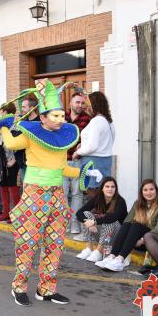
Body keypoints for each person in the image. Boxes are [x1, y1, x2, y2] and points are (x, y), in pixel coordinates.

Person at [0, 79, 102, 306]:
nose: (61, 120)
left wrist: (83, 173)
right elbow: (10, 143)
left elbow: (61, 168)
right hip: (34, 195)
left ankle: (46, 289)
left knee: (55, 243)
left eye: (62, 115)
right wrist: (1, 124)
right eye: (56, 116)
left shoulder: (60, 140)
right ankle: (19, 286)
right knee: (28, 243)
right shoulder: (31, 136)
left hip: (57, 196)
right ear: (42, 118)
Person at [97, 179, 158, 272]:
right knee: (127, 224)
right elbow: (127, 221)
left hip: (151, 242)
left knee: (136, 226)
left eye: (151, 189)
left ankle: (120, 260)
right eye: (145, 190)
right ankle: (112, 256)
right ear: (141, 192)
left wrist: (142, 240)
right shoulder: (137, 203)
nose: (148, 192)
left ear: (156, 190)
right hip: (134, 240)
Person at [75, 177, 128, 263]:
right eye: (107, 186)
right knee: (86, 215)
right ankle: (88, 248)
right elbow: (79, 213)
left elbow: (113, 217)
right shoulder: (98, 198)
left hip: (117, 235)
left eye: (112, 187)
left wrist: (94, 222)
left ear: (116, 189)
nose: (110, 189)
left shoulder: (120, 201)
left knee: (109, 221)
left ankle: (99, 252)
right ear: (102, 189)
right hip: (103, 234)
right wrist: (89, 223)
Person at [74, 91, 114, 189]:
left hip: (93, 162)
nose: (86, 107)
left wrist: (78, 152)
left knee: (92, 194)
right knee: (102, 192)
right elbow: (105, 142)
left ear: (94, 105)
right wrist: (83, 145)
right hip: (106, 161)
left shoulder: (96, 121)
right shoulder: (108, 121)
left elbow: (92, 146)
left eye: (88, 104)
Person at [63, 92, 91, 234]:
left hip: (78, 161)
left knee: (77, 194)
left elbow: (92, 139)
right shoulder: (62, 117)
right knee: (62, 194)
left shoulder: (88, 119)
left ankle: (74, 223)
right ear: (70, 103)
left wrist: (83, 144)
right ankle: (64, 222)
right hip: (61, 162)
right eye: (77, 102)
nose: (80, 105)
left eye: (82, 102)